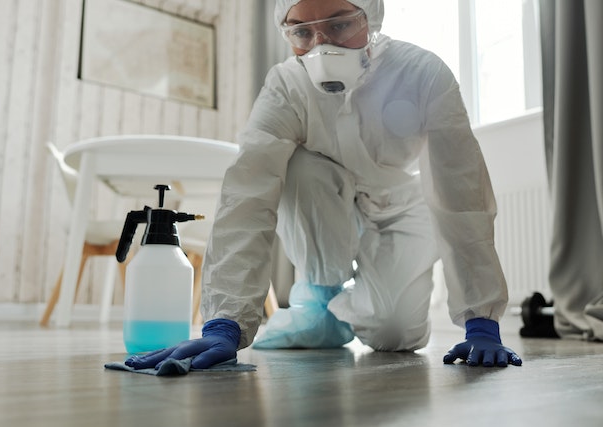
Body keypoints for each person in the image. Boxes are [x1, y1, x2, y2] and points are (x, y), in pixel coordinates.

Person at [125, 0, 522, 371]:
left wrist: (480, 318)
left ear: (371, 16)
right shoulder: (285, 87)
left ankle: (356, 304)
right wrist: (225, 321)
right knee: (293, 165)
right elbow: (247, 193)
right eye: (302, 32)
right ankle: (321, 297)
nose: (321, 45)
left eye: (339, 24)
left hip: (401, 204)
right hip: (325, 195)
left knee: (394, 334)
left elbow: (459, 189)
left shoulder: (422, 75)